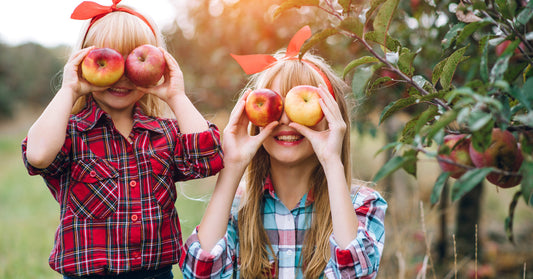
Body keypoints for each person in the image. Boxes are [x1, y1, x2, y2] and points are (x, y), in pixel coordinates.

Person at [21, 0, 224, 278]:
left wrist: (176, 95)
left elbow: (208, 158)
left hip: (155, 273)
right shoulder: (70, 133)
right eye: (107, 58)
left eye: (135, 60)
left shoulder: (162, 133)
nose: (122, 75)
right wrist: (70, 88)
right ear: (82, 62)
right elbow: (38, 154)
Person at [180, 26, 387, 279]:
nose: (287, 119)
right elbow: (200, 274)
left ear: (333, 118)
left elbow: (356, 276)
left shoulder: (362, 205)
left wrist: (332, 161)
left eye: (301, 103)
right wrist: (232, 165)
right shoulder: (236, 208)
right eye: (276, 105)